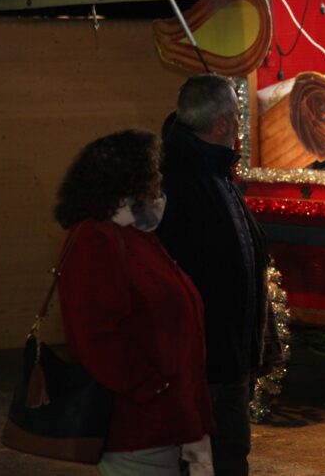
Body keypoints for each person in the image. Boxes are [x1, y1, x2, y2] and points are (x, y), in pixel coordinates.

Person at [53, 129, 214, 476]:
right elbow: (96, 337)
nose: (159, 184)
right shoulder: (97, 240)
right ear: (128, 180)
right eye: (153, 174)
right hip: (138, 428)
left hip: (170, 419)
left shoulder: (136, 234)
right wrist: (153, 388)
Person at [157, 74, 279, 476]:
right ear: (224, 123)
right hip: (208, 365)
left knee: (227, 454)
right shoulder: (182, 181)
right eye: (237, 115)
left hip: (226, 357)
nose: (239, 124)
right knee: (219, 459)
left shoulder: (212, 172)